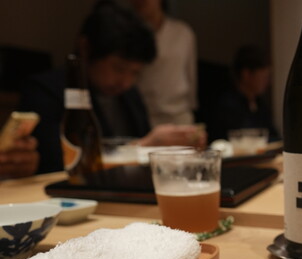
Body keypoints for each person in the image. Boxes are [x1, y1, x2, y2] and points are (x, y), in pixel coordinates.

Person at [19, 0, 205, 174]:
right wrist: (143, 146)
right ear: (85, 48)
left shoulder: (130, 94)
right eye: (119, 68)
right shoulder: (46, 91)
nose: (126, 81)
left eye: (135, 73)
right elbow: (55, 162)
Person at [128, 0, 198, 126]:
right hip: (143, 115)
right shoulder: (128, 34)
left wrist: (192, 106)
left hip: (179, 114)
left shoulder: (183, 32)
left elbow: (190, 74)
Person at [209, 45, 279, 141]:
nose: (268, 82)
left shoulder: (261, 104)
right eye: (264, 77)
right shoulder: (227, 106)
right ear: (246, 74)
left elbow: (274, 136)